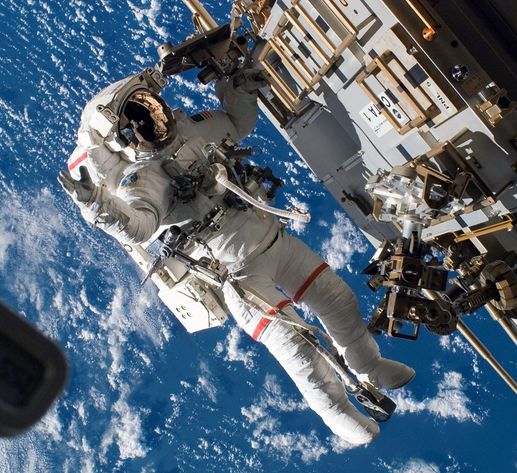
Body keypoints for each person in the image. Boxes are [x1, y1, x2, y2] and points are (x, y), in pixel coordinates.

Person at [58, 66, 415, 444]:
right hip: (239, 276)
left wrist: (240, 90)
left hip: (273, 241)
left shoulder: (197, 128)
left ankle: (369, 366)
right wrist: (96, 205)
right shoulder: (142, 180)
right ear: (125, 140)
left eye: (150, 108)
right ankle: (338, 413)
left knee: (339, 299)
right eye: (139, 123)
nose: (152, 121)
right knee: (301, 351)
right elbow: (139, 226)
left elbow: (236, 122)